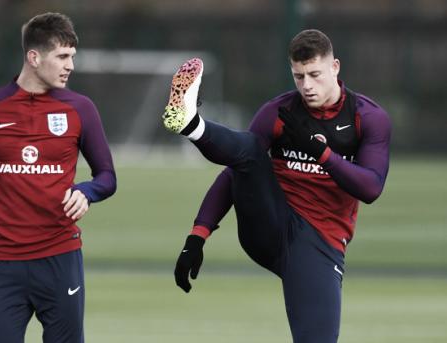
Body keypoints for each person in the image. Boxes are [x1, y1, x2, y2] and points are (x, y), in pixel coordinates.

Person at [163, 29, 390, 342]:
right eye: (299, 76)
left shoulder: (368, 117)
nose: (307, 86)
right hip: (270, 224)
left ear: (335, 67)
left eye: (314, 74)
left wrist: (320, 152)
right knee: (250, 152)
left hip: (319, 241)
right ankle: (190, 123)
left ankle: (193, 125)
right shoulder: (279, 112)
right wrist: (197, 236)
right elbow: (236, 170)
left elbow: (371, 188)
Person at [0, 12, 116, 343]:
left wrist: (87, 191)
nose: (70, 66)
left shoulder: (81, 109)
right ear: (34, 57)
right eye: (62, 57)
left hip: (61, 259)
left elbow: (107, 176)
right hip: (5, 266)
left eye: (72, 57)